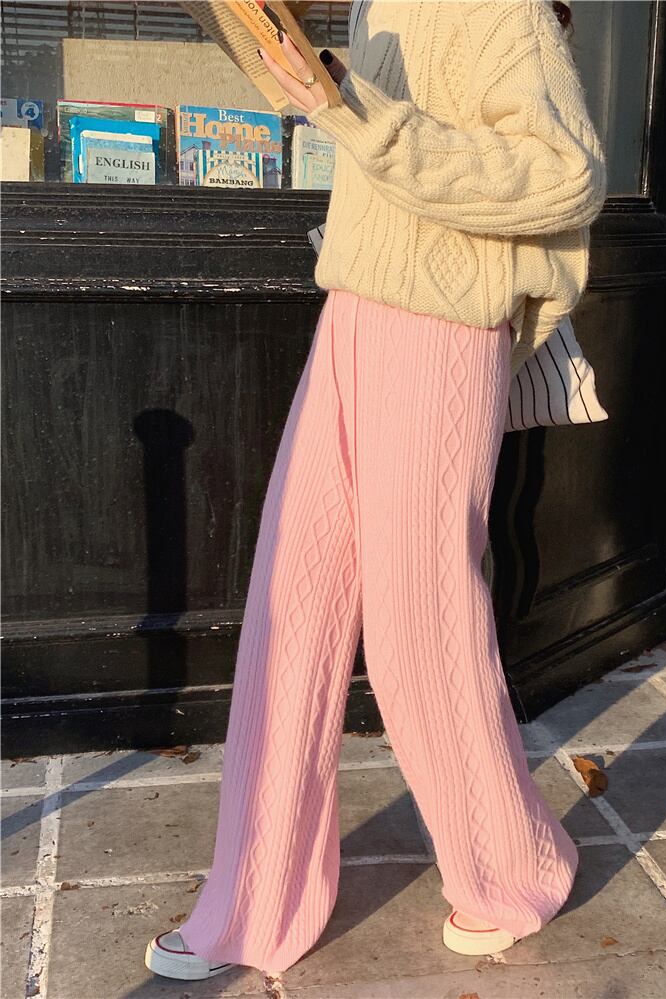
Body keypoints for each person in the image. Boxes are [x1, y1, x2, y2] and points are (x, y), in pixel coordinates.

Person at [145, 0, 607, 981]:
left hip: (444, 330)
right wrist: (306, 80)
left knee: (418, 624)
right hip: (353, 313)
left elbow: (566, 174)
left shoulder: (507, 11)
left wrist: (358, 113)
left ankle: (513, 869)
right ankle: (256, 899)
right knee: (293, 602)